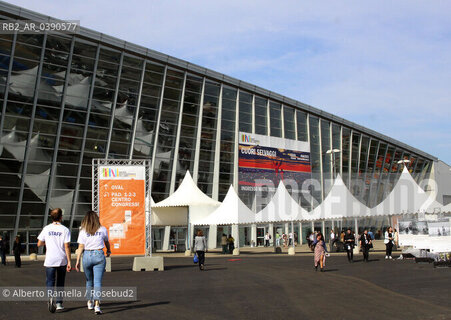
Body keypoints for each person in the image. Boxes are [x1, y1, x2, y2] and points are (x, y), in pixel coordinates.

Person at [75, 210, 111, 315]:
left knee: (89, 281)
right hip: (99, 254)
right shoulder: (103, 229)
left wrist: (77, 260)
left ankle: (89, 301)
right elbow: (106, 241)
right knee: (97, 282)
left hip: (87, 255)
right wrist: (108, 250)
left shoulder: (83, 231)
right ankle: (97, 305)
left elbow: (80, 246)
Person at [37, 208, 71, 313]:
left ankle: (50, 297)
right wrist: (69, 261)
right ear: (61, 217)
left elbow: (39, 244)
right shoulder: (65, 230)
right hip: (61, 259)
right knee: (60, 282)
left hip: (50, 259)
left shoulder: (47, 228)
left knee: (50, 281)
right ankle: (59, 303)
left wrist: (47, 242)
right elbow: (67, 246)